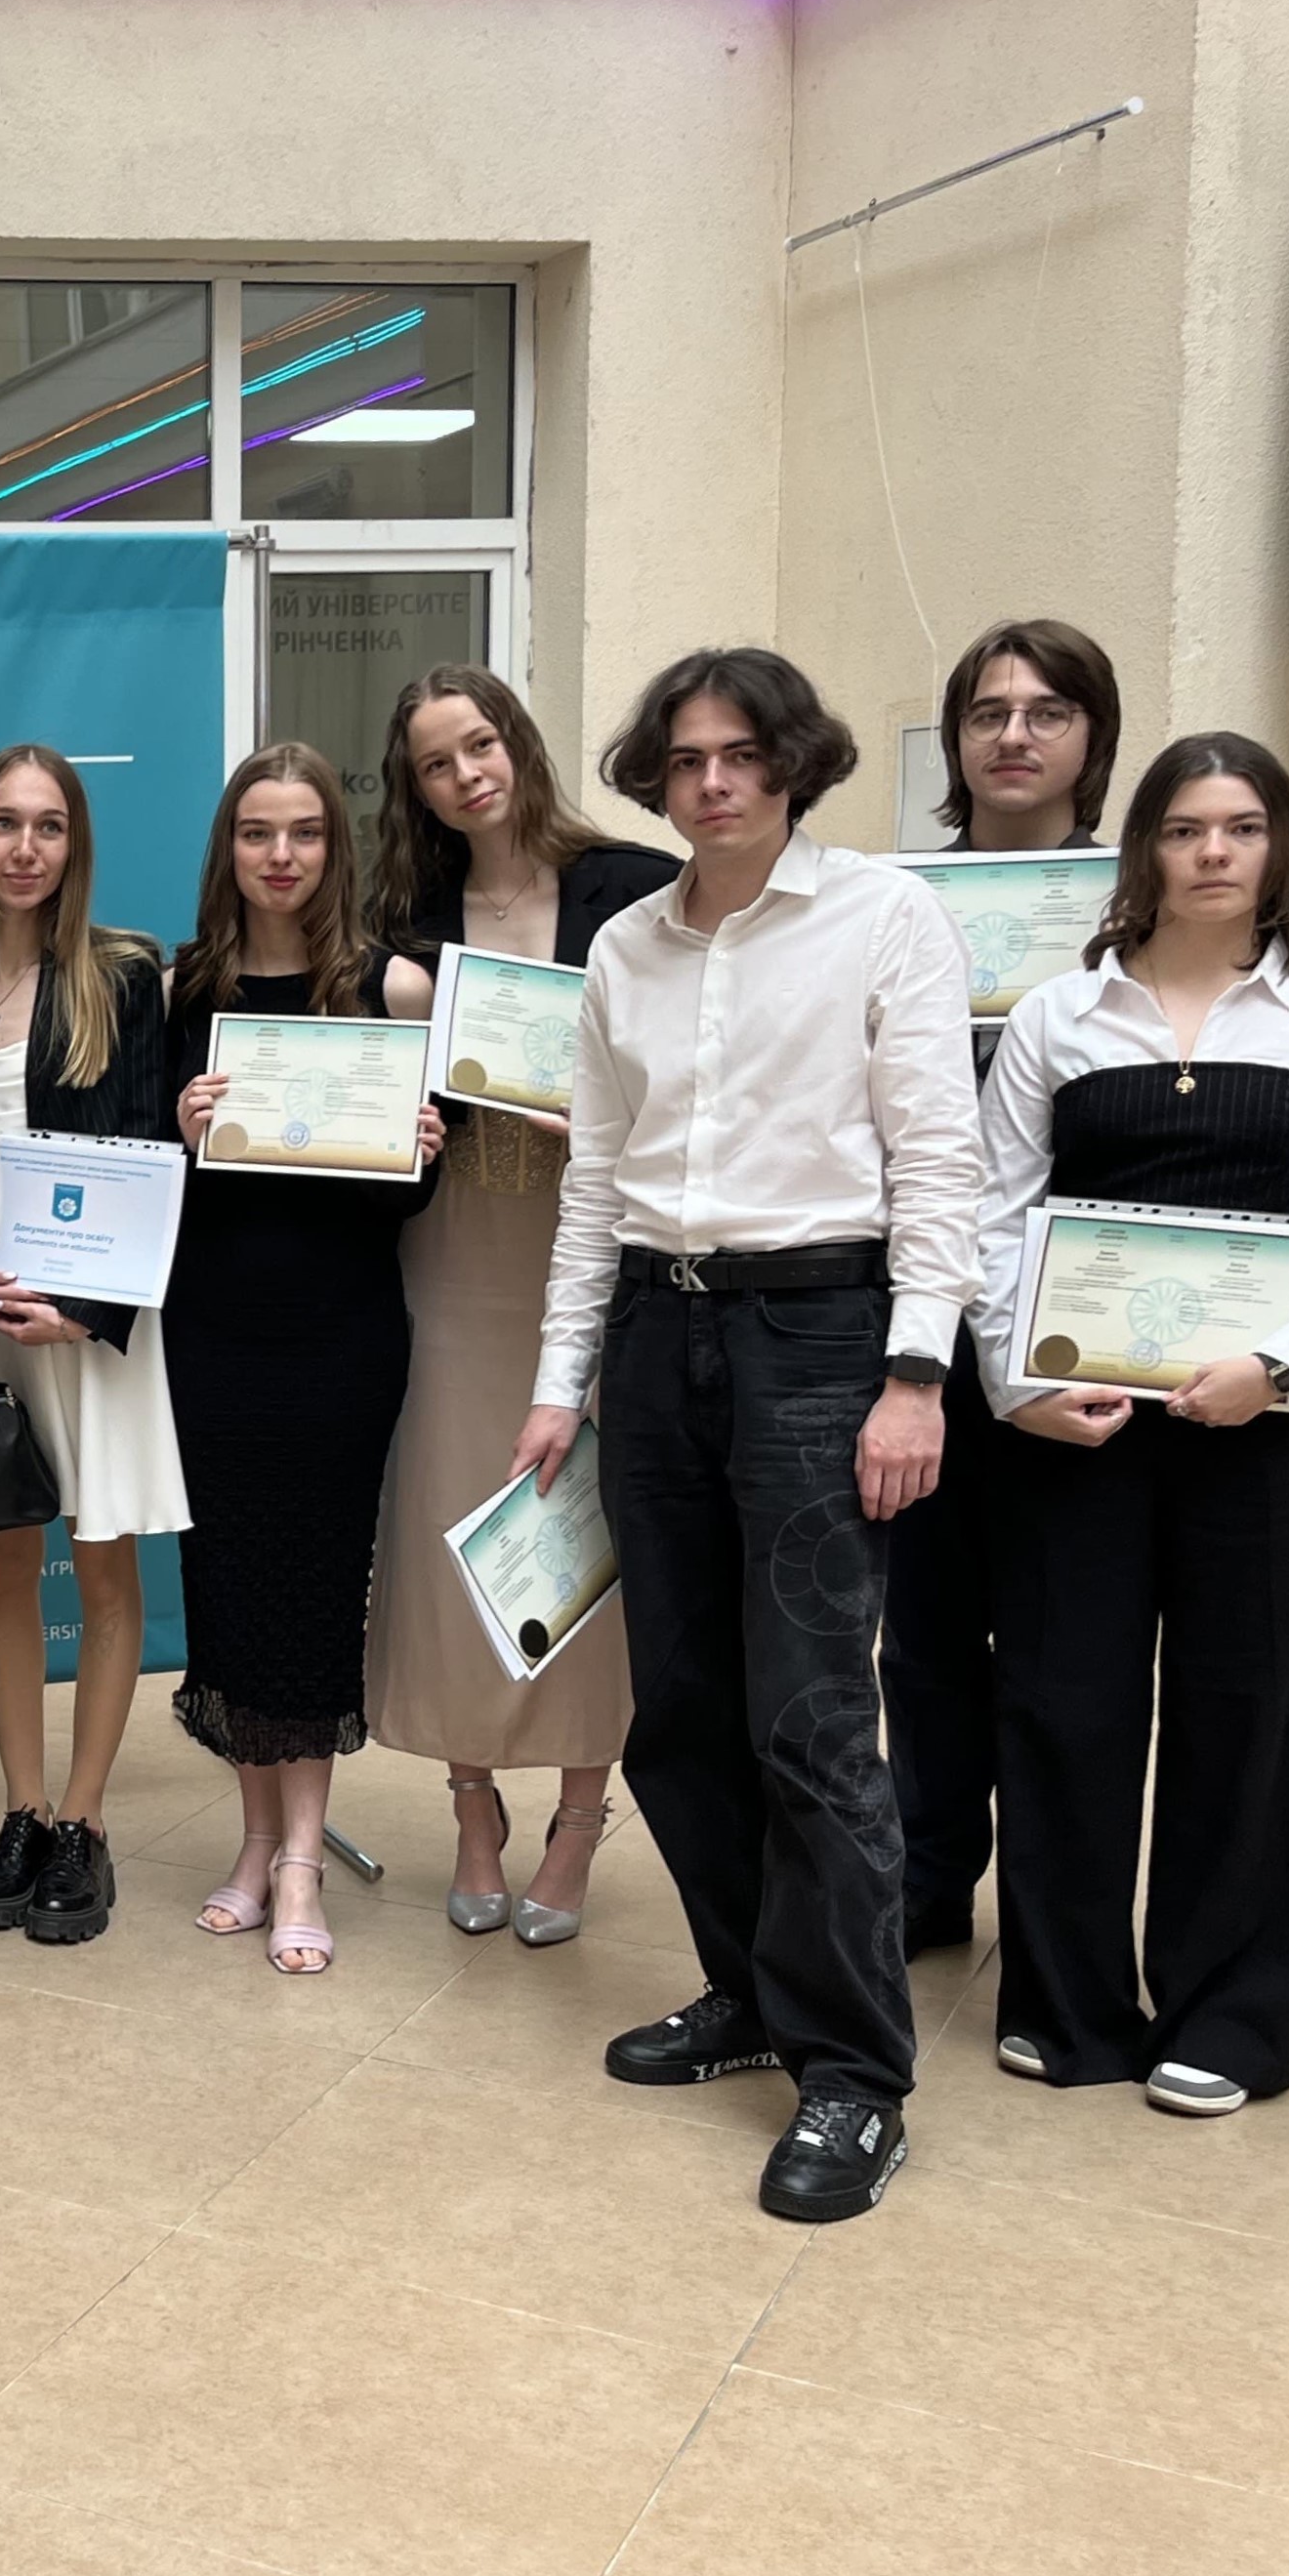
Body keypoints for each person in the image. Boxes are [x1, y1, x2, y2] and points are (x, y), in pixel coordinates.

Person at [515, 646, 981, 2224]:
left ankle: (853, 2073)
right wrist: (558, 1380)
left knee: (810, 1721)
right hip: (656, 1338)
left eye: (738, 753)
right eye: (684, 758)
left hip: (818, 1336)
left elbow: (937, 1160)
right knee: (680, 1712)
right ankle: (751, 1992)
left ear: (791, 762)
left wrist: (914, 1374)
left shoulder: (882, 917)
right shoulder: (624, 947)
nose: (710, 782)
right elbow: (594, 1187)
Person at [973, 734, 1289, 2116]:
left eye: (1240, 826)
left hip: (1262, 1428)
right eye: (1183, 829)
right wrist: (1012, 1383)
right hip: (1082, 1425)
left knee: (1253, 1708)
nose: (1212, 852)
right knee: (1061, 1700)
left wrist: (1279, 1364)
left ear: (1278, 843)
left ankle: (1232, 2014)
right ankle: (1061, 2000)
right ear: (1145, 850)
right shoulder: (1059, 1016)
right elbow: (992, 1216)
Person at [361, 668, 673, 1944]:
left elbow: (688, 1073)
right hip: (450, 1256)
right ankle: (472, 1807)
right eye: (434, 763)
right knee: (454, 1532)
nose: (464, 775)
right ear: (415, 788)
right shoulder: (395, 915)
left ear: (517, 743)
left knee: (585, 1540)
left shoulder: (636, 887)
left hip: (591, 1248)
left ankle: (582, 1814)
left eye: (478, 744)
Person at [163, 744, 444, 1977]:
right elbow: (155, 1188)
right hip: (210, 1330)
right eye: (256, 832)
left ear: (338, 846)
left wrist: (418, 1144)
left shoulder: (391, 987)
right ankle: (249, 1837)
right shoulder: (179, 988)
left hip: (339, 1333)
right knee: (226, 1587)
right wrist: (177, 1130)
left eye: (305, 832)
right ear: (226, 848)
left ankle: (299, 1858)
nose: (280, 855)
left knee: (316, 1588)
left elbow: (409, 1201)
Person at [884, 619, 1125, 1957]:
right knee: (919, 1629)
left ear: (1092, 737)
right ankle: (924, 1877)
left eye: (1045, 712)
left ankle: (1050, 1918)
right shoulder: (891, 906)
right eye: (986, 713)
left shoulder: (1136, 911)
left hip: (1070, 1325)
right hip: (914, 1318)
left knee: (1056, 1643)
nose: (1013, 736)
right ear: (954, 739)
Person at [0, 744, 187, 1945]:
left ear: (73, 844)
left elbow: (146, 1151)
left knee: (99, 1566)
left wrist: (82, 1311)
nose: (25, 847)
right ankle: (23, 1810)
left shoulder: (119, 975)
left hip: (83, 1321)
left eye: (47, 825)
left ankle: (83, 1823)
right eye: (4, 822)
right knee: (1, 1561)